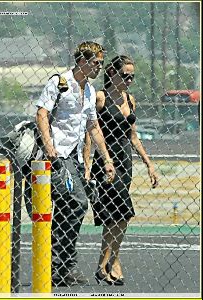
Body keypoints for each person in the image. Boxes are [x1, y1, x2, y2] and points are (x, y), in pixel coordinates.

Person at [35, 41, 115, 287]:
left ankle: (59, 266)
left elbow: (93, 126)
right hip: (58, 156)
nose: (99, 67)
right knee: (77, 203)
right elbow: (41, 113)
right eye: (95, 62)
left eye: (101, 63)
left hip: (77, 157)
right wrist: (50, 148)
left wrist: (107, 159)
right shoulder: (60, 82)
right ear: (82, 61)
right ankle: (60, 265)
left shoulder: (90, 91)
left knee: (70, 208)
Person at [84, 55, 159, 285]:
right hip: (106, 163)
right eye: (125, 75)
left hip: (125, 163)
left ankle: (104, 265)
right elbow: (90, 132)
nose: (129, 80)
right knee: (123, 214)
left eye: (132, 76)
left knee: (114, 217)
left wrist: (149, 163)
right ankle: (111, 261)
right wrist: (88, 165)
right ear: (112, 74)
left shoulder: (130, 100)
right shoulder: (100, 98)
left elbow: (133, 136)